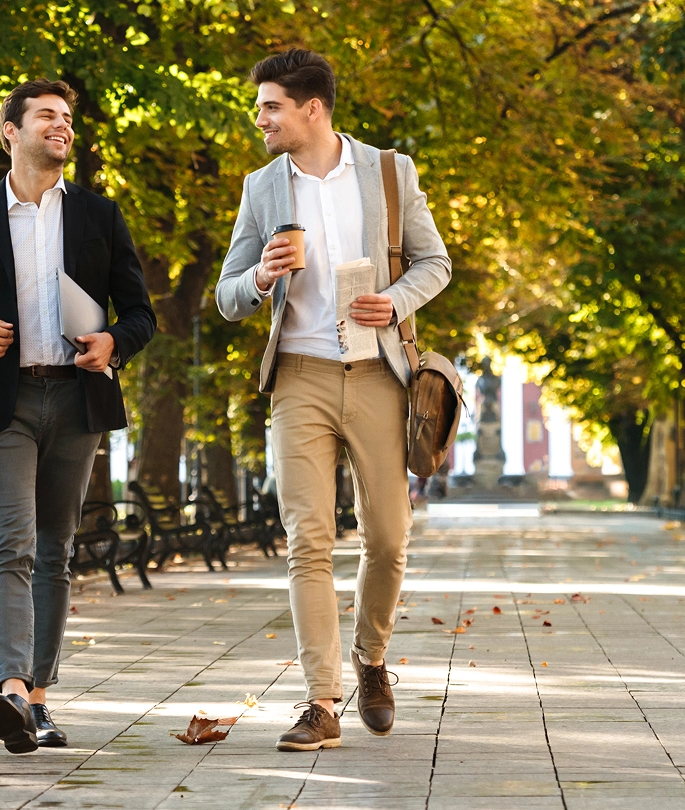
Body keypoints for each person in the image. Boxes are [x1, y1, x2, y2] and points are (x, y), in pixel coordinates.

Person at [215, 49, 451, 750]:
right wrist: (259, 276)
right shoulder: (263, 188)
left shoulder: (388, 171)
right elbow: (227, 296)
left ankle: (370, 658)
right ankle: (321, 702)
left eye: (270, 107)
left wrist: (395, 300)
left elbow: (436, 261)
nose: (259, 118)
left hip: (378, 375)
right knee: (307, 538)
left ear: (310, 108)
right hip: (299, 377)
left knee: (388, 535)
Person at [0, 79, 156, 754]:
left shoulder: (97, 215)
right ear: (10, 132)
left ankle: (40, 703)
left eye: (67, 118)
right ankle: (13, 689)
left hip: (77, 402)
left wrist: (114, 341)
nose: (62, 127)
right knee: (10, 545)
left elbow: (140, 314)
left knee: (55, 549)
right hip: (4, 404)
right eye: (47, 116)